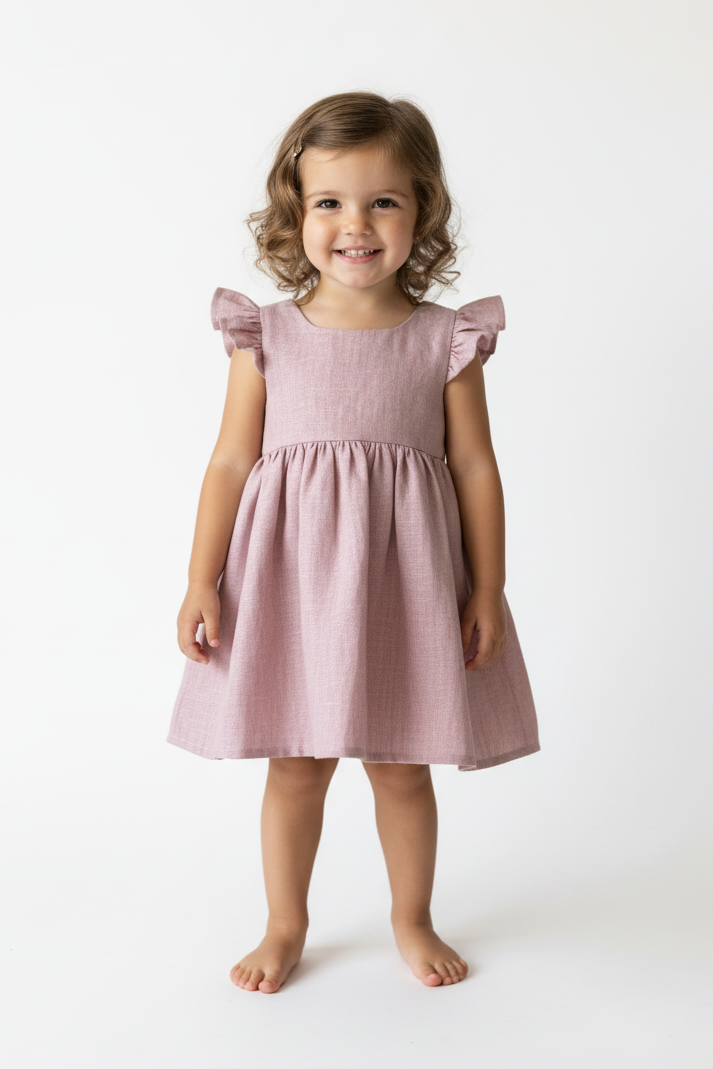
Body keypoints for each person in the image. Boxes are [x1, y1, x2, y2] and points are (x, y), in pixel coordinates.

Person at [167, 90, 540, 994]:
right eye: (330, 202)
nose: (356, 224)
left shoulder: (443, 341)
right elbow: (228, 462)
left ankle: (410, 916)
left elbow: (476, 470)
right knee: (295, 766)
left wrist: (485, 590)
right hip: (290, 584)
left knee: (402, 767)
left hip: (403, 583)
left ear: (423, 212)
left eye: (383, 201)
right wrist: (200, 577)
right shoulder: (268, 337)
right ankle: (285, 922)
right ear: (295, 213)